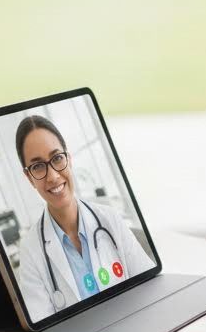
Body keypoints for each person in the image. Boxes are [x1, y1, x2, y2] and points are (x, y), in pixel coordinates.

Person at [15, 115, 154, 320]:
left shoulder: (110, 219)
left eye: (57, 158)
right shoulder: (30, 250)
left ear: (69, 159)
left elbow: (150, 286)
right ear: (29, 178)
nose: (53, 176)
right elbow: (41, 328)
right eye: (38, 167)